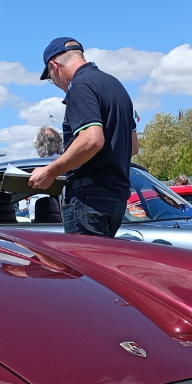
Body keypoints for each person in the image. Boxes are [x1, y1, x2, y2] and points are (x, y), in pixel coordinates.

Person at [29, 38, 138, 237]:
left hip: (89, 198)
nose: (55, 82)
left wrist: (50, 171)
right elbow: (132, 147)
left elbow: (91, 140)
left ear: (55, 66)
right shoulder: (116, 86)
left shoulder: (80, 86)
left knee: (82, 267)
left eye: (51, 78)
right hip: (117, 197)